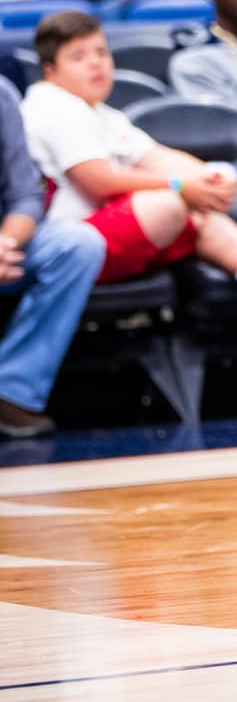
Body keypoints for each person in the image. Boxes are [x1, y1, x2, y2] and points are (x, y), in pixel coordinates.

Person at [23, 11, 237, 316]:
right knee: (169, 203)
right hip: (73, 249)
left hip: (108, 235)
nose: (97, 64)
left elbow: (155, 156)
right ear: (51, 71)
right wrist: (182, 185)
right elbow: (100, 180)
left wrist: (207, 176)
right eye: (79, 58)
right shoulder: (52, 106)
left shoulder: (100, 112)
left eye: (101, 53)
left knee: (192, 207)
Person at [0, 76, 104, 438]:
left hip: (6, 247)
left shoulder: (1, 94)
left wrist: (7, 241)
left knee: (78, 243)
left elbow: (25, 195)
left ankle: (11, 391)